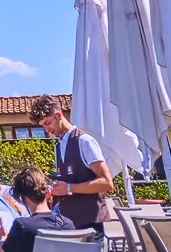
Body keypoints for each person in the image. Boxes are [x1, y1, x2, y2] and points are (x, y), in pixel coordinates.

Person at [28, 94, 112, 235]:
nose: (47, 130)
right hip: (68, 224)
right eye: (43, 126)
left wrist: (68, 188)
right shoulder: (58, 146)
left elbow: (107, 183)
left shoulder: (84, 141)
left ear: (58, 115)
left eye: (48, 123)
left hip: (90, 225)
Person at [0, 166, 76, 252]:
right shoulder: (68, 225)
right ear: (48, 193)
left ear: (21, 198)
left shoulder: (22, 226)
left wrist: (3, 237)